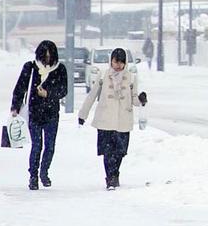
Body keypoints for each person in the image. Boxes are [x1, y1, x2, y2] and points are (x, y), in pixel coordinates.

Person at [78, 47, 148, 190]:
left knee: (120, 151)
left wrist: (141, 100)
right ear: (111, 61)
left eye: (121, 63)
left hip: (123, 120)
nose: (118, 65)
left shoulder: (131, 77)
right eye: (116, 62)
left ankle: (115, 173)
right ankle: (110, 178)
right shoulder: (103, 75)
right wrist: (82, 115)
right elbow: (92, 95)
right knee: (108, 151)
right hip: (105, 120)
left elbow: (134, 100)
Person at [10, 40, 68, 190]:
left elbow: (64, 90)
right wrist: (15, 107)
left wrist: (48, 94)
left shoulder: (60, 69)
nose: (47, 60)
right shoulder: (30, 68)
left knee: (50, 146)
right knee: (36, 146)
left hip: (52, 114)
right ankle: (33, 176)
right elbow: (20, 88)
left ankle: (44, 172)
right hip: (34, 113)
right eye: (45, 56)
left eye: (50, 56)